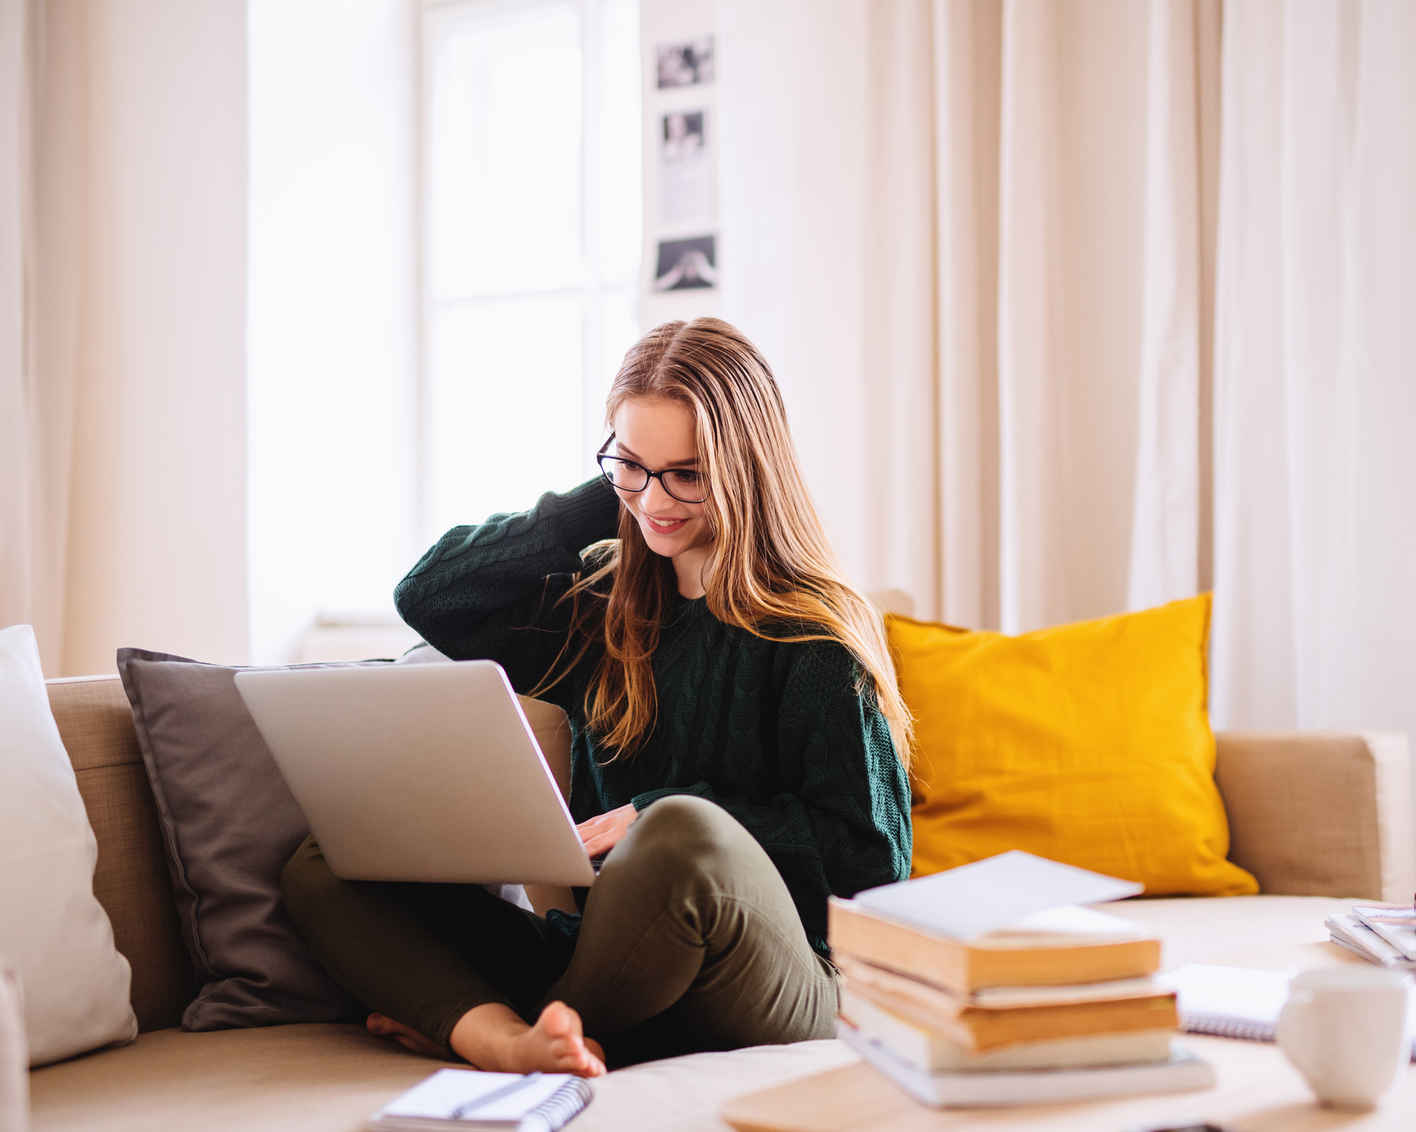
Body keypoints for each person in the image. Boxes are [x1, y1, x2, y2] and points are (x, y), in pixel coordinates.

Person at [280, 317, 914, 1077]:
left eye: (688, 473)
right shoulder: (600, 610)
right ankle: (520, 1039)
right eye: (632, 466)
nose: (657, 501)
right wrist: (608, 493)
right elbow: (431, 595)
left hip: (783, 975)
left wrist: (660, 814)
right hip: (609, 959)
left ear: (747, 468)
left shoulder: (815, 636)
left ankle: (527, 1026)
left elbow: (873, 867)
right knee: (328, 862)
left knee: (681, 832)